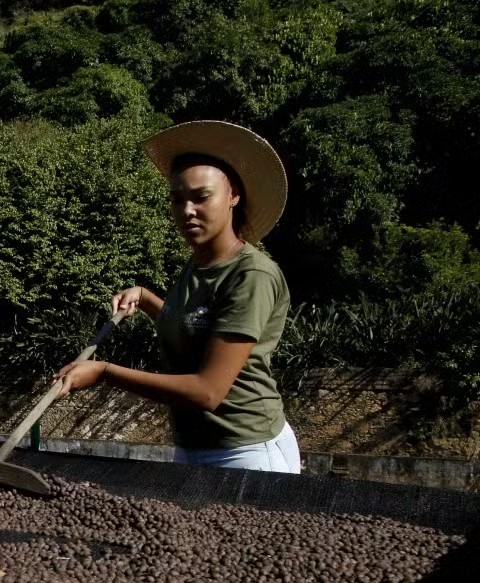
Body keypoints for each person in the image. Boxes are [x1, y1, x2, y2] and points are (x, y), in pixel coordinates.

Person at [55, 121, 301, 473]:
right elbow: (193, 325)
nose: (187, 210)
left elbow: (208, 392)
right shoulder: (199, 263)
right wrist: (146, 298)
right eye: (177, 198)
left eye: (201, 197)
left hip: (246, 452)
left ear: (234, 196)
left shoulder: (251, 275)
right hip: (193, 447)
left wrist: (105, 372)